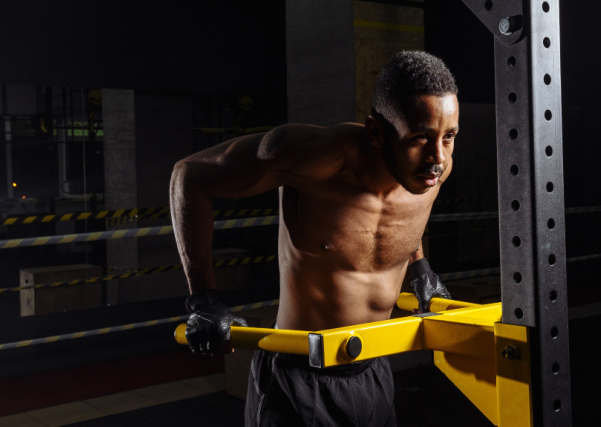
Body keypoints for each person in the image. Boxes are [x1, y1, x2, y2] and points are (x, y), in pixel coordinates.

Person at [170, 50, 458, 426]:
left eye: (449, 136)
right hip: (297, 376)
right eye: (420, 138)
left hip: (373, 368)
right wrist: (203, 297)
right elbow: (189, 176)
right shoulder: (312, 158)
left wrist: (419, 265)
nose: (438, 157)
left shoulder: (428, 173)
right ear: (376, 133)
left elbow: (403, 223)